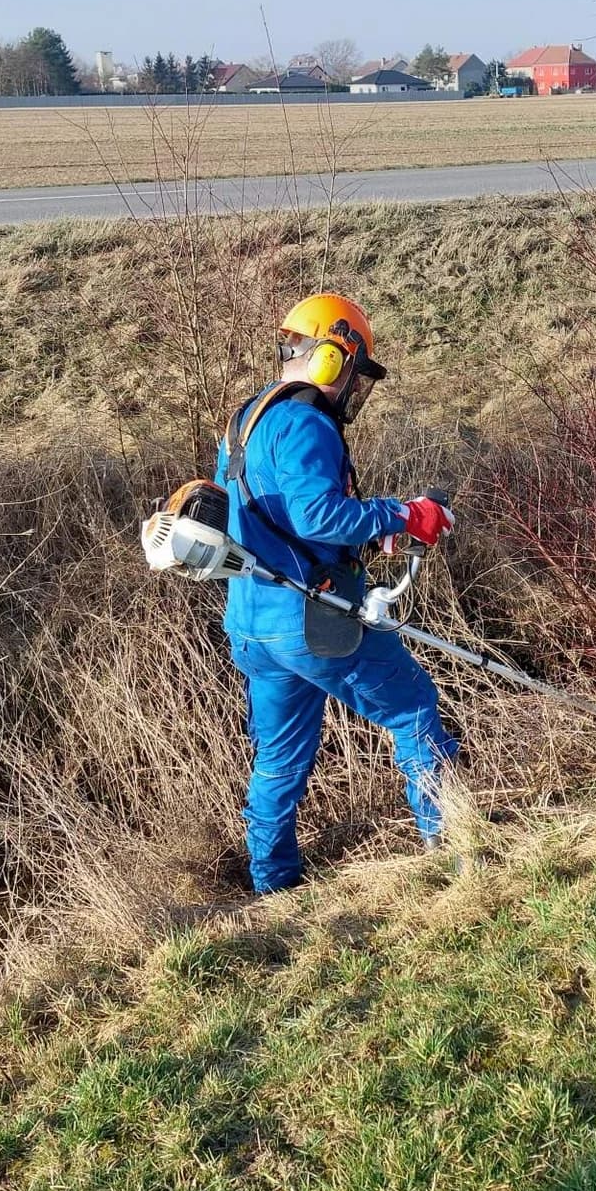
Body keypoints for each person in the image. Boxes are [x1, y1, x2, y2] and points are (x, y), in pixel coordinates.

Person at [213, 293, 460, 894]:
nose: (355, 387)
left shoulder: (247, 419)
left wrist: (365, 538)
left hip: (252, 622)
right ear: (331, 358)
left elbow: (272, 519)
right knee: (413, 709)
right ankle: (453, 849)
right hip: (311, 622)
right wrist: (403, 515)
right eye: (355, 369)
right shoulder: (305, 421)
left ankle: (271, 885)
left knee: (278, 759)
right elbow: (319, 515)